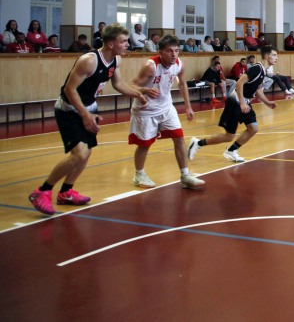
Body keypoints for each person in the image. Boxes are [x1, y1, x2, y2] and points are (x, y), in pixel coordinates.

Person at [28, 23, 149, 215]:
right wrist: (84, 115)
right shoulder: (89, 61)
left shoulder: (116, 60)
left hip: (90, 108)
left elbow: (118, 84)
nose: (127, 44)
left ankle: (66, 192)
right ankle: (42, 191)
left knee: (86, 153)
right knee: (79, 154)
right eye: (123, 41)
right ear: (110, 44)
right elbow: (70, 89)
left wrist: (138, 94)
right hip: (69, 109)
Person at [128, 35, 204, 189]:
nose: (174, 54)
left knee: (179, 138)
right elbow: (131, 86)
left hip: (166, 107)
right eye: (169, 51)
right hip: (146, 110)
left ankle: (185, 175)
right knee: (144, 145)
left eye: (176, 50)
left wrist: (188, 106)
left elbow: (182, 83)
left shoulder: (179, 64)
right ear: (160, 52)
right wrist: (145, 90)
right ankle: (139, 175)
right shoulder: (151, 66)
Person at [188, 46, 278, 163]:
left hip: (244, 103)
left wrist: (267, 102)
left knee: (253, 128)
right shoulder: (257, 68)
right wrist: (242, 103)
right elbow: (239, 83)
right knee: (229, 136)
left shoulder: (263, 71)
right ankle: (197, 143)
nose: (277, 58)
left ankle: (231, 151)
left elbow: (258, 90)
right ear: (266, 56)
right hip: (235, 102)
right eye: (274, 55)